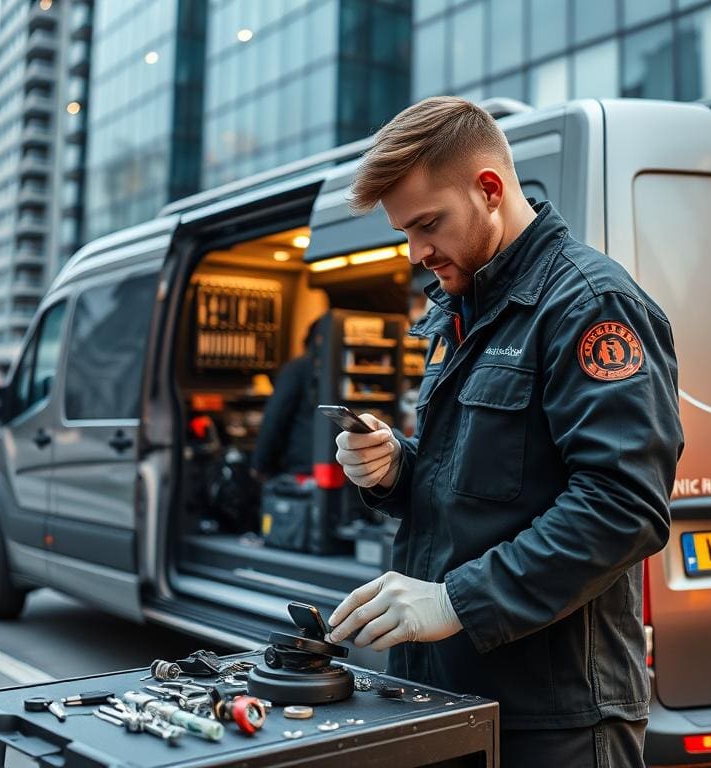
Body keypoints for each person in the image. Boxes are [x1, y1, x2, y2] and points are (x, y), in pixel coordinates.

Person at [328, 97, 683, 766]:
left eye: (428, 224)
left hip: (556, 721)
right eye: (405, 232)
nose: (415, 252)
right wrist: (395, 469)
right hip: (454, 695)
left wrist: (457, 600)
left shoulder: (589, 303)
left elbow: (623, 506)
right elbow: (489, 485)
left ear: (489, 188)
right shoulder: (465, 308)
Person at [252, 317, 323, 478]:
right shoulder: (344, 369)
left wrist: (260, 464)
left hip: (301, 469)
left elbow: (275, 416)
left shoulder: (297, 369)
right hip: (348, 470)